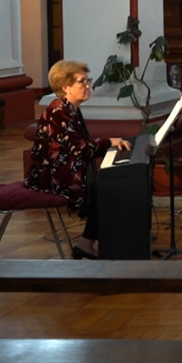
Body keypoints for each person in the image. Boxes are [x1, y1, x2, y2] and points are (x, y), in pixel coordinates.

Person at [24, 60, 131, 259]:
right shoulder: (58, 111)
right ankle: (93, 243)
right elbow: (78, 148)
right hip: (50, 178)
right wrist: (109, 142)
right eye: (83, 81)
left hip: (62, 170)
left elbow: (79, 145)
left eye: (88, 81)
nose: (88, 85)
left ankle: (91, 243)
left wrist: (107, 144)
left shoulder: (70, 108)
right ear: (66, 87)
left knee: (108, 190)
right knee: (108, 193)